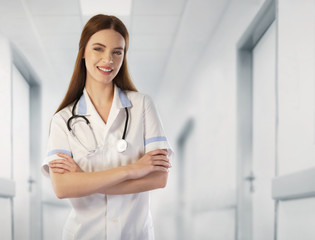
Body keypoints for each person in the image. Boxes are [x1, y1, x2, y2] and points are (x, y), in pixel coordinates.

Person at [41, 14, 173, 240]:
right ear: (83, 52)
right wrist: (132, 170)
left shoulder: (142, 106)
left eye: (117, 52)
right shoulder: (62, 120)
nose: (108, 60)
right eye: (98, 49)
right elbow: (62, 188)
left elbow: (158, 179)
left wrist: (84, 180)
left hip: (135, 234)